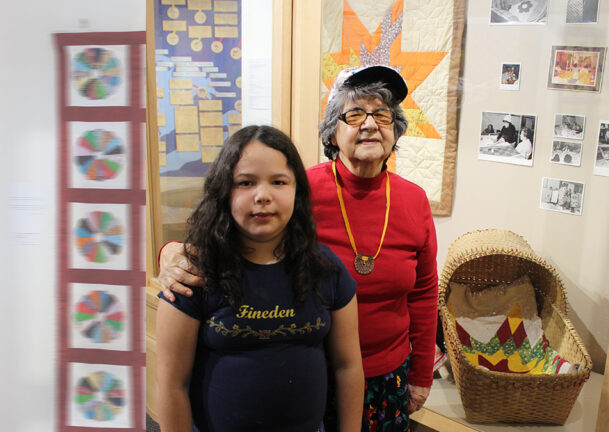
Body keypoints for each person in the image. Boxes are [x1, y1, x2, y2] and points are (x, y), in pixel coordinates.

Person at [158, 65, 439, 431]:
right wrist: (171, 251)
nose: (370, 124)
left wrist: (421, 375)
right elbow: (225, 232)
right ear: (332, 133)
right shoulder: (297, 189)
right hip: (308, 370)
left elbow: (424, 291)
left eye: (382, 114)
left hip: (388, 373)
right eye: (354, 114)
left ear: (396, 129)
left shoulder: (414, 200)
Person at [155, 125, 364, 432]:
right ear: (224, 191)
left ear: (297, 190)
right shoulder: (194, 272)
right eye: (245, 183)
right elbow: (172, 384)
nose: (262, 195)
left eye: (278, 182)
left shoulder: (326, 268)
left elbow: (348, 367)